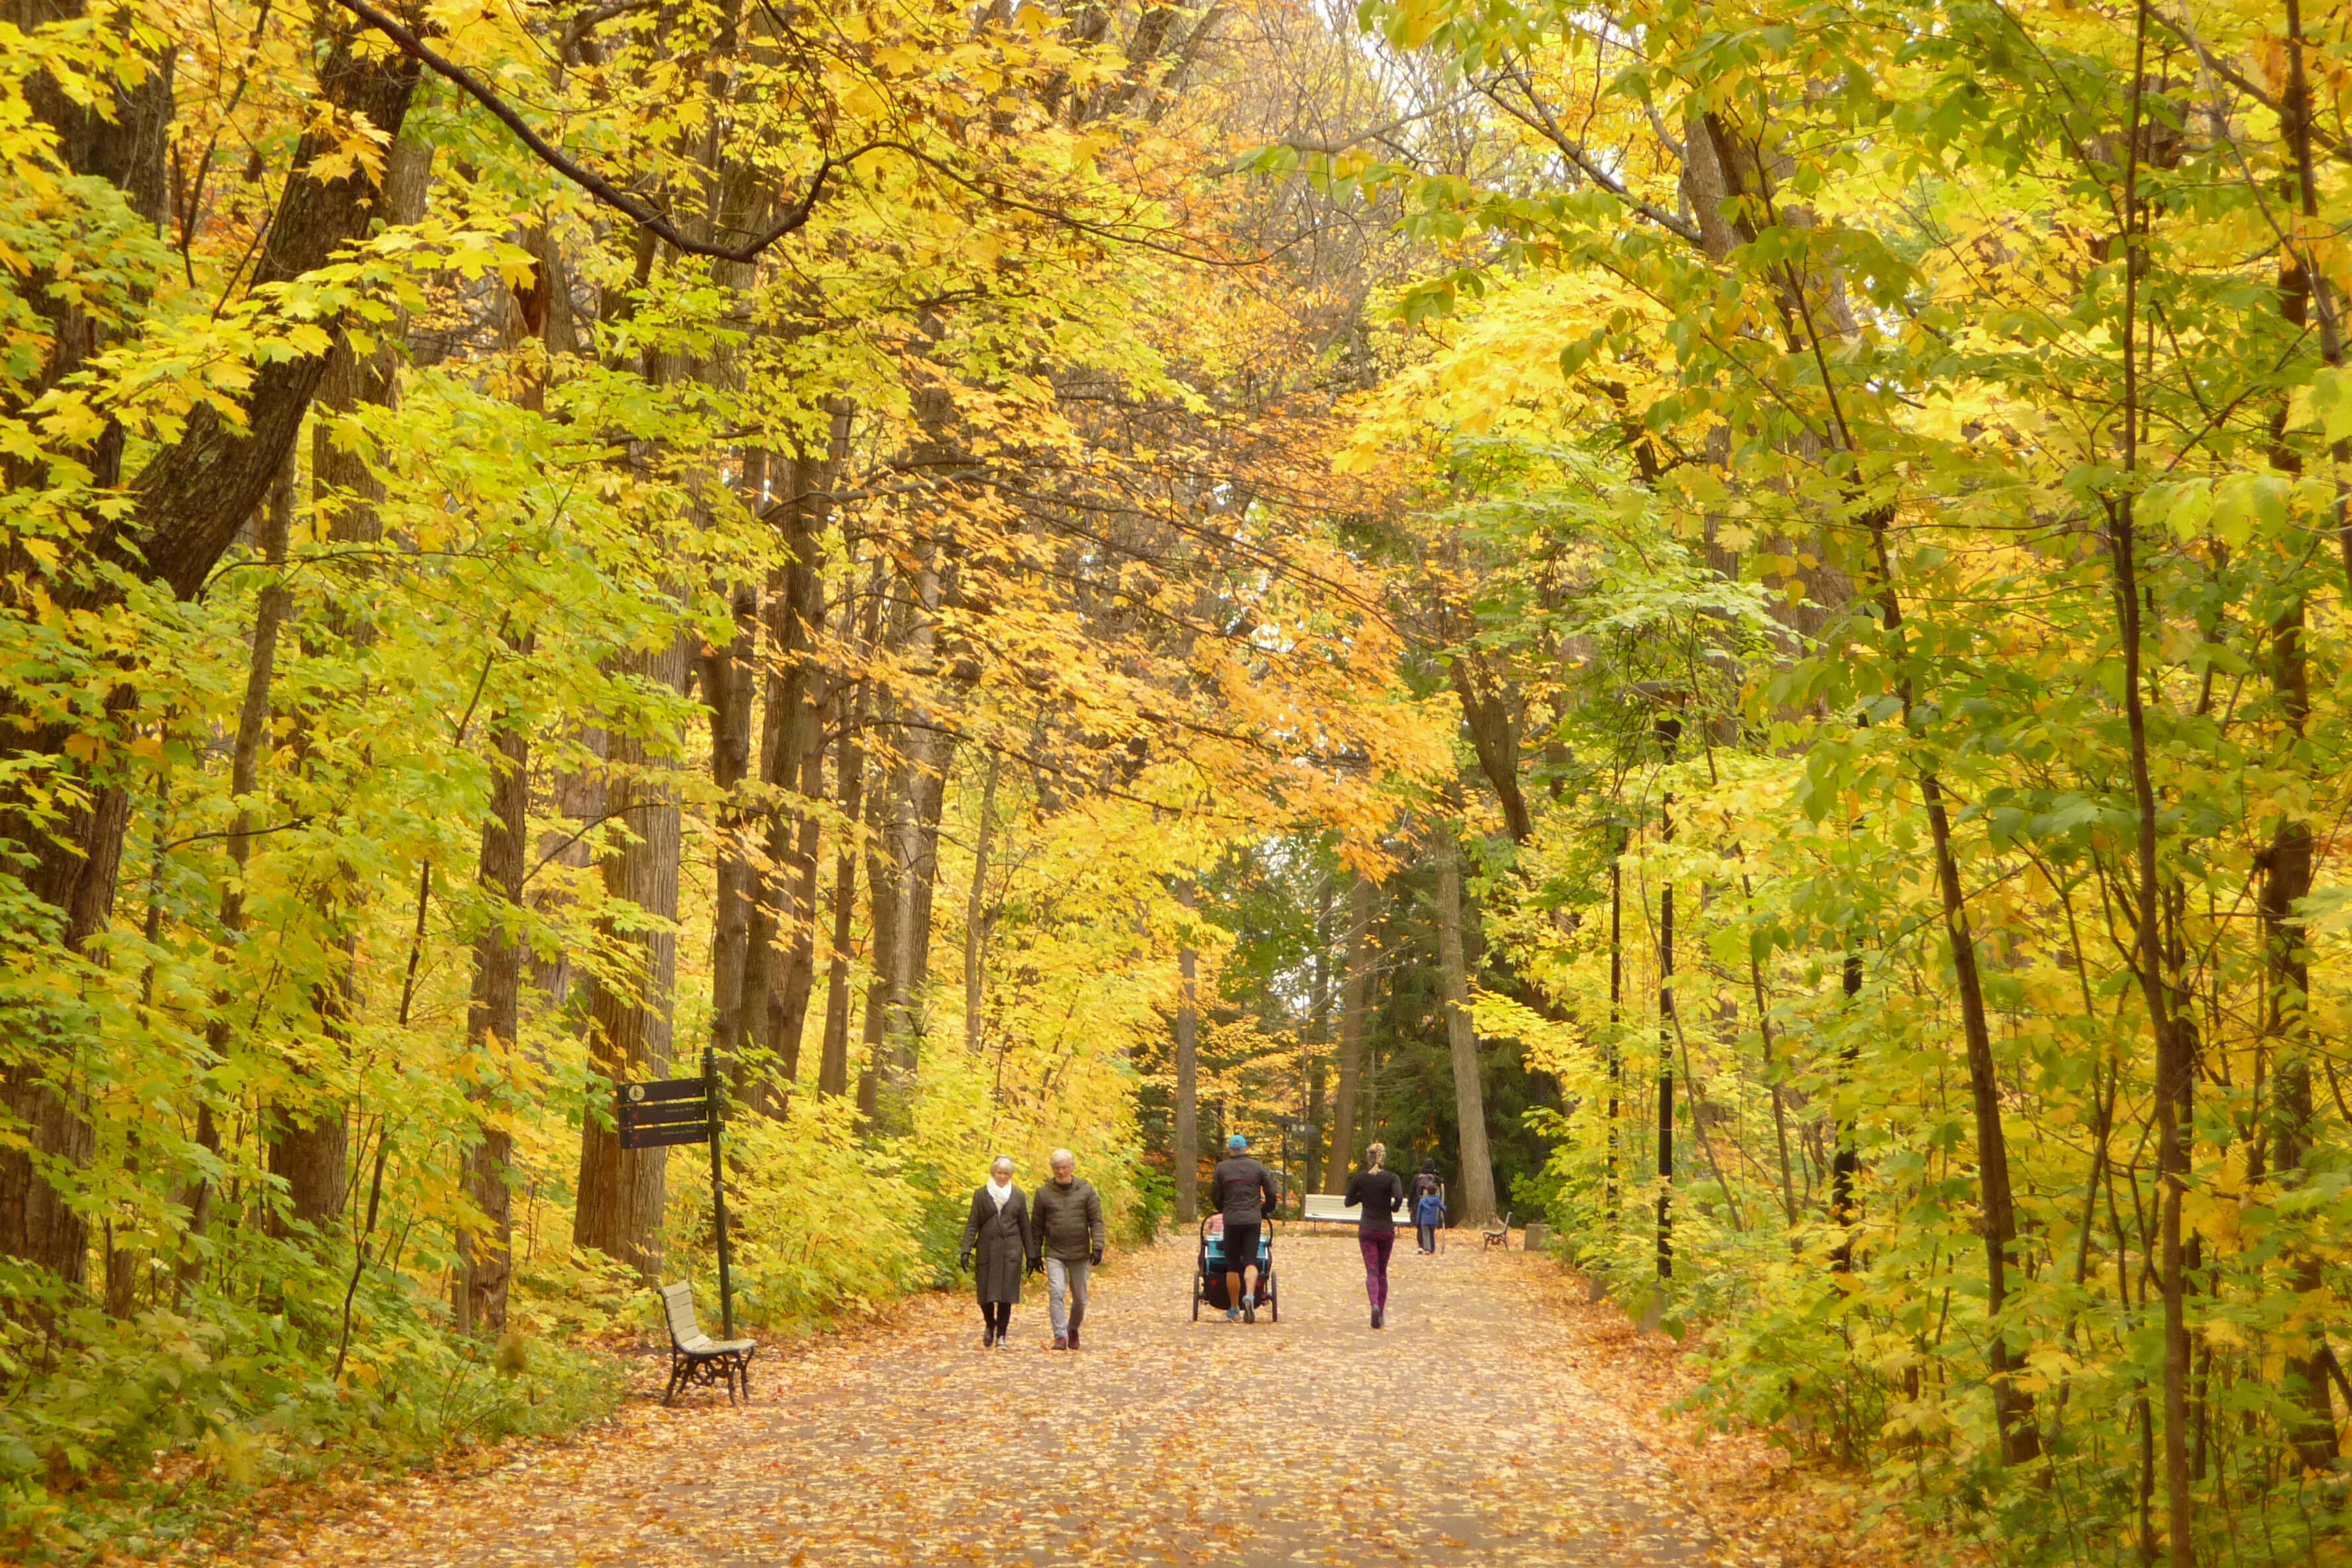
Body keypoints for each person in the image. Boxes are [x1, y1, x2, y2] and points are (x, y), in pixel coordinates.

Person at [1031, 1148, 1105, 1349]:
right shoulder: (1044, 1193)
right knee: (1056, 1291)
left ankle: (1073, 1327)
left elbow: (1096, 1221)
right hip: (1055, 1252)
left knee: (1080, 1298)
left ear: (1072, 1167)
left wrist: (1098, 1246)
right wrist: (1034, 1253)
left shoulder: (1086, 1190)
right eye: (1057, 1168)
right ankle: (1060, 1336)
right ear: (1052, 1169)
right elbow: (1036, 1226)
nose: (1062, 1172)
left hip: (1080, 1252)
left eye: (1065, 1167)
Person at [958, 1156, 1035, 1348]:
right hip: (987, 1249)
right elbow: (973, 1223)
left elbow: (1025, 1226)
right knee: (986, 1294)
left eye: (1006, 1173)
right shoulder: (981, 1195)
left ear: (1011, 1175)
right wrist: (966, 1249)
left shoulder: (1018, 1196)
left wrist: (1032, 1254)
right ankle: (990, 1324)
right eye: (999, 1173)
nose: (1002, 1176)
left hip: (1011, 1250)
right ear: (994, 1173)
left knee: (1006, 1295)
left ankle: (1002, 1336)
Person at [1207, 1133, 1278, 1322]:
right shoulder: (1258, 1168)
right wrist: (1264, 1211)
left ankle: (1235, 1309)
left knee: (1231, 1265)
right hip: (1253, 1220)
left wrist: (1224, 1209)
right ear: (1246, 1149)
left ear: (1231, 1150)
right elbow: (1271, 1193)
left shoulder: (1222, 1169)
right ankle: (1249, 1295)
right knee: (1250, 1262)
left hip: (1232, 1220)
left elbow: (1215, 1194)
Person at [1345, 1142, 1406, 1328]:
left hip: (1367, 1230)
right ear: (1383, 1158)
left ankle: (1374, 1305)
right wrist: (1393, 1208)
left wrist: (1363, 1197)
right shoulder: (1392, 1178)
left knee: (1371, 1271)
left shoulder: (1361, 1179)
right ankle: (1382, 1313)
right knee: (1382, 1272)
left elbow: (1348, 1201)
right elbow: (1399, 1197)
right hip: (1386, 1230)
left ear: (1368, 1158)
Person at [1413, 1160, 1444, 1254]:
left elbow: (1412, 1192)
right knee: (1431, 1231)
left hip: (1420, 1204)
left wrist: (1411, 1205)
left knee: (1421, 1228)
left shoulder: (1418, 1178)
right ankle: (1431, 1248)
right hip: (1432, 1214)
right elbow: (1442, 1182)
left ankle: (1421, 1246)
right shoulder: (1435, 1178)